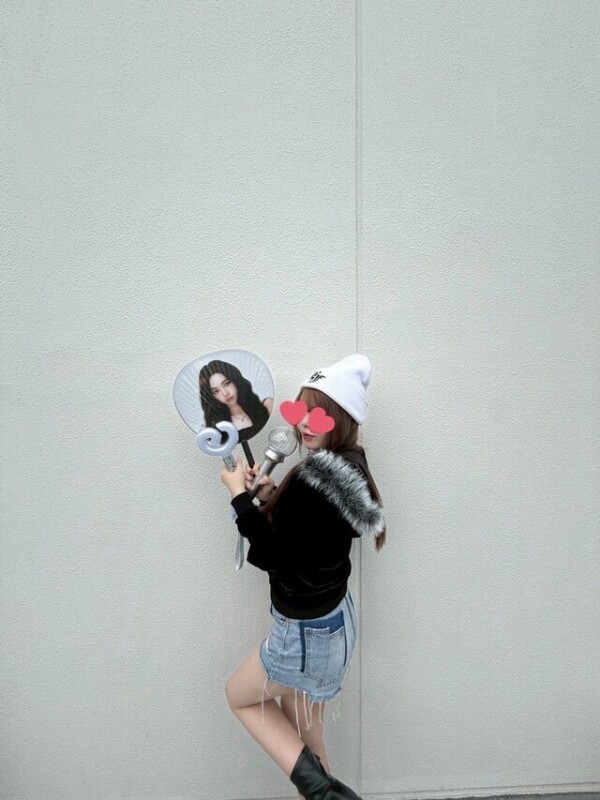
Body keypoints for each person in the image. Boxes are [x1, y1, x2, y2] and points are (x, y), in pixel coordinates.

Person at [220, 354, 386, 800]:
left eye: (321, 414)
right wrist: (272, 496)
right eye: (302, 411)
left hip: (306, 632)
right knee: (310, 747)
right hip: (333, 623)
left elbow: (275, 554)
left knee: (239, 695)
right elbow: (309, 536)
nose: (306, 424)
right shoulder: (348, 465)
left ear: (342, 419)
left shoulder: (313, 477)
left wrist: (239, 498)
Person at [199, 359, 273, 441]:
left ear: (235, 380)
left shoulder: (267, 405)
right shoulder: (215, 428)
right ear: (212, 396)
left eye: (226, 383)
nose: (225, 393)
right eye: (216, 391)